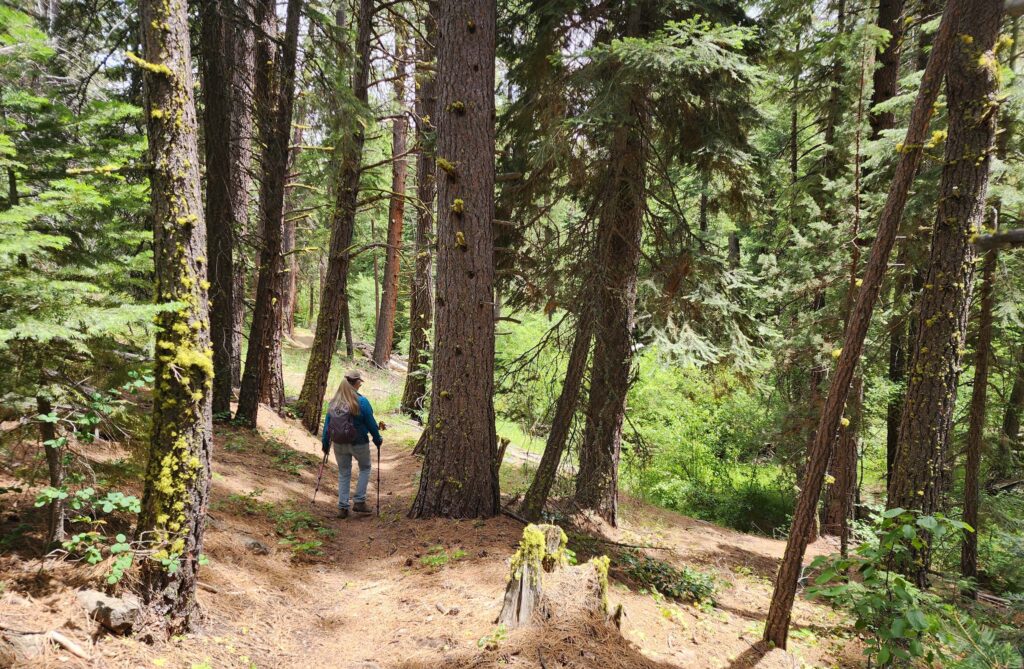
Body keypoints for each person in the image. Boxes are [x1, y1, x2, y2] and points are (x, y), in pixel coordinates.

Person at [321, 370, 383, 519]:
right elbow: (371, 424)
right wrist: (377, 438)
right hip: (359, 443)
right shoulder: (361, 402)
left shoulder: (334, 402)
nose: (360, 384)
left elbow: (327, 425)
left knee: (344, 473)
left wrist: (325, 444)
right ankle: (359, 501)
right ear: (356, 383)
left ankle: (342, 507)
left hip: (339, 443)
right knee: (365, 468)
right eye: (360, 382)